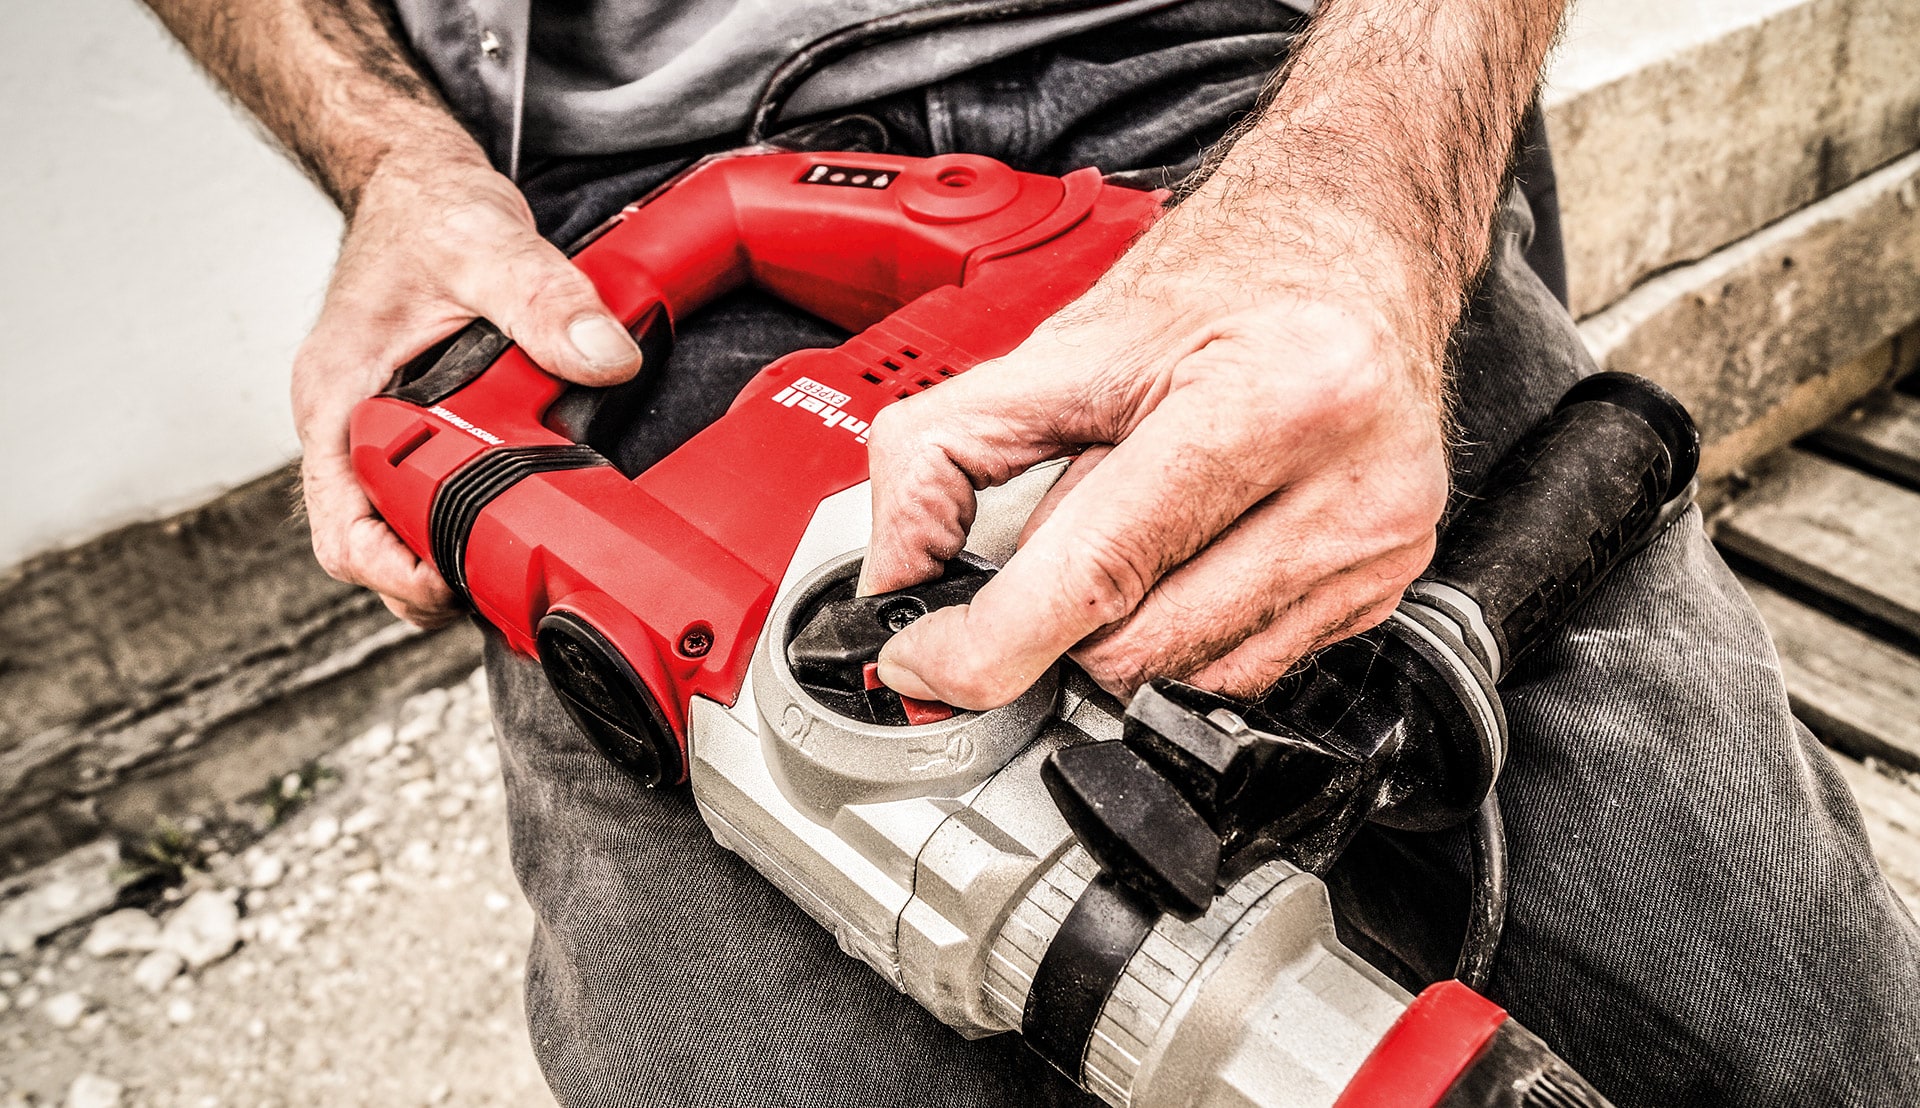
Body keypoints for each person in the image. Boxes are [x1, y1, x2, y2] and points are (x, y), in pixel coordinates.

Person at [138, 0, 1920, 1105]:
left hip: (1268, 99)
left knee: (1811, 1056)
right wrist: (389, 157)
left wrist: (1376, 193)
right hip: (618, 210)